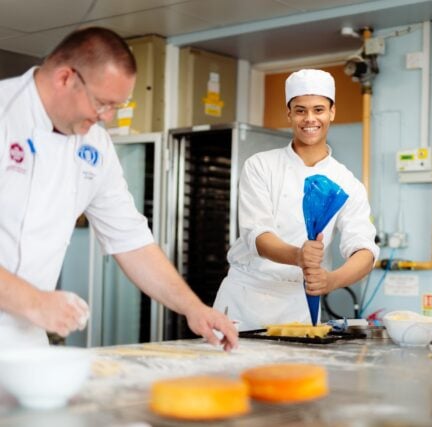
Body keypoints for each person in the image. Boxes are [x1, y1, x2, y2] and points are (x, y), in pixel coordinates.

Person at [0, 27, 238, 350]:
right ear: (66, 78)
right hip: (31, 311)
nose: (106, 118)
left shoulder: (95, 144)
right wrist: (35, 302)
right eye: (102, 104)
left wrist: (193, 308)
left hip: (24, 338)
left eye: (116, 107)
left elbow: (131, 240)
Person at [213, 69, 379, 331]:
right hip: (245, 298)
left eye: (319, 109)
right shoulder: (260, 166)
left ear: (332, 112)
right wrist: (298, 255)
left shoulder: (347, 183)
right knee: (231, 372)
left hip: (297, 303)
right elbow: (256, 233)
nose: (310, 118)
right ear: (289, 114)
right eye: (300, 110)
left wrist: (331, 281)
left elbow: (365, 251)